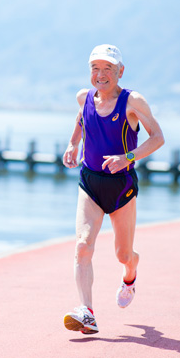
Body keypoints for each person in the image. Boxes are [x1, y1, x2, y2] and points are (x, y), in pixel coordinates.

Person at [62, 44, 165, 334]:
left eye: (108, 68)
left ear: (120, 71)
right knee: (83, 245)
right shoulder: (84, 98)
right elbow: (81, 120)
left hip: (121, 187)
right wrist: (73, 144)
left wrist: (128, 158)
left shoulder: (134, 102)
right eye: (95, 68)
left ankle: (130, 274)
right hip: (90, 182)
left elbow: (158, 138)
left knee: (123, 254)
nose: (101, 74)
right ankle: (87, 312)